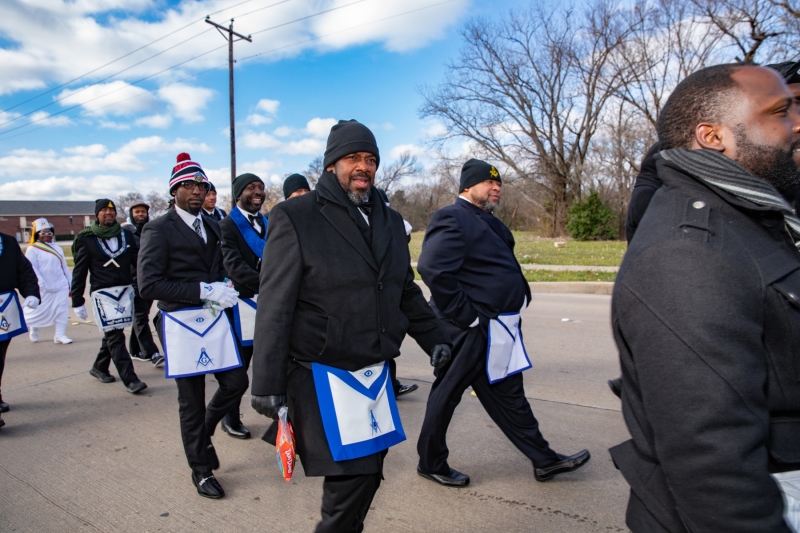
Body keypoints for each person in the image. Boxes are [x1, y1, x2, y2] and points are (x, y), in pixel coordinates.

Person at [610, 63, 800, 532]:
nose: (795, 122)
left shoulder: (754, 216)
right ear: (713, 136)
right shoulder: (685, 254)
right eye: (780, 111)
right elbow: (712, 460)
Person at [249, 120, 452, 533]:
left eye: (371, 159)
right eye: (353, 158)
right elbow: (274, 304)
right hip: (320, 373)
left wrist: (434, 338)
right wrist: (266, 381)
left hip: (374, 374)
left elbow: (403, 287)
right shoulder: (295, 217)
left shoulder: (391, 221)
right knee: (349, 485)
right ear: (331, 166)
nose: (364, 166)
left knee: (369, 473)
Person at [417, 159, 591, 487]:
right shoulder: (451, 217)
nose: (496, 187)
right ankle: (431, 462)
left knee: (510, 394)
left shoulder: (488, 221)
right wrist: (466, 316)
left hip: (500, 329)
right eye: (488, 182)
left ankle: (545, 461)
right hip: (468, 328)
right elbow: (432, 269)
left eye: (499, 183)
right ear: (468, 187)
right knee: (448, 393)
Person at [138, 152, 248, 499]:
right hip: (178, 322)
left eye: (201, 185)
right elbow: (149, 285)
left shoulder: (214, 225)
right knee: (191, 400)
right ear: (174, 191)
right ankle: (200, 470)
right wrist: (203, 291)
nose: (197, 191)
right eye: (189, 185)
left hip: (213, 318)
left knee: (236, 382)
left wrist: (226, 286)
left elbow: (220, 268)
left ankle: (203, 432)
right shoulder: (158, 228)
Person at [72, 199, 147, 395]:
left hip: (124, 291)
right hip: (102, 294)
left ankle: (99, 367)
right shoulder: (86, 239)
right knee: (115, 336)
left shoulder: (126, 236)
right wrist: (77, 301)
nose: (108, 213)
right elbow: (79, 272)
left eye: (111, 210)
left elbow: (138, 261)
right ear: (97, 214)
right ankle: (131, 379)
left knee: (112, 333)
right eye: (104, 210)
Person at [218, 172, 268, 440]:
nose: (258, 191)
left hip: (270, 301)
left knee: (274, 360)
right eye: (251, 187)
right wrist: (270, 283)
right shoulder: (228, 225)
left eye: (261, 187)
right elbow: (233, 266)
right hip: (243, 304)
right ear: (238, 194)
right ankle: (230, 417)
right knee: (240, 368)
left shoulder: (268, 222)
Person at [0, 231, 40, 428]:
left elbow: (23, 270)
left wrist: (31, 292)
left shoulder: (8, 242)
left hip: (5, 306)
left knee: (0, 356)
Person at [122, 202, 164, 367]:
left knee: (142, 315)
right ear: (131, 214)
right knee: (140, 316)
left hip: (150, 279)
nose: (141, 214)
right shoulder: (126, 232)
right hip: (134, 281)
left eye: (143, 212)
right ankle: (151, 352)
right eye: (137, 212)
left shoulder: (149, 229)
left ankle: (134, 350)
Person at [24, 218, 71, 344]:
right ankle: (34, 329)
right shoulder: (32, 249)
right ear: (37, 234)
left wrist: (70, 282)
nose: (47, 236)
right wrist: (40, 281)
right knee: (37, 311)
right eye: (43, 233)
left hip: (60, 285)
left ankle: (60, 335)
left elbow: (64, 267)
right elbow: (32, 267)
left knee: (62, 309)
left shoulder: (58, 248)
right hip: (43, 287)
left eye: (49, 233)